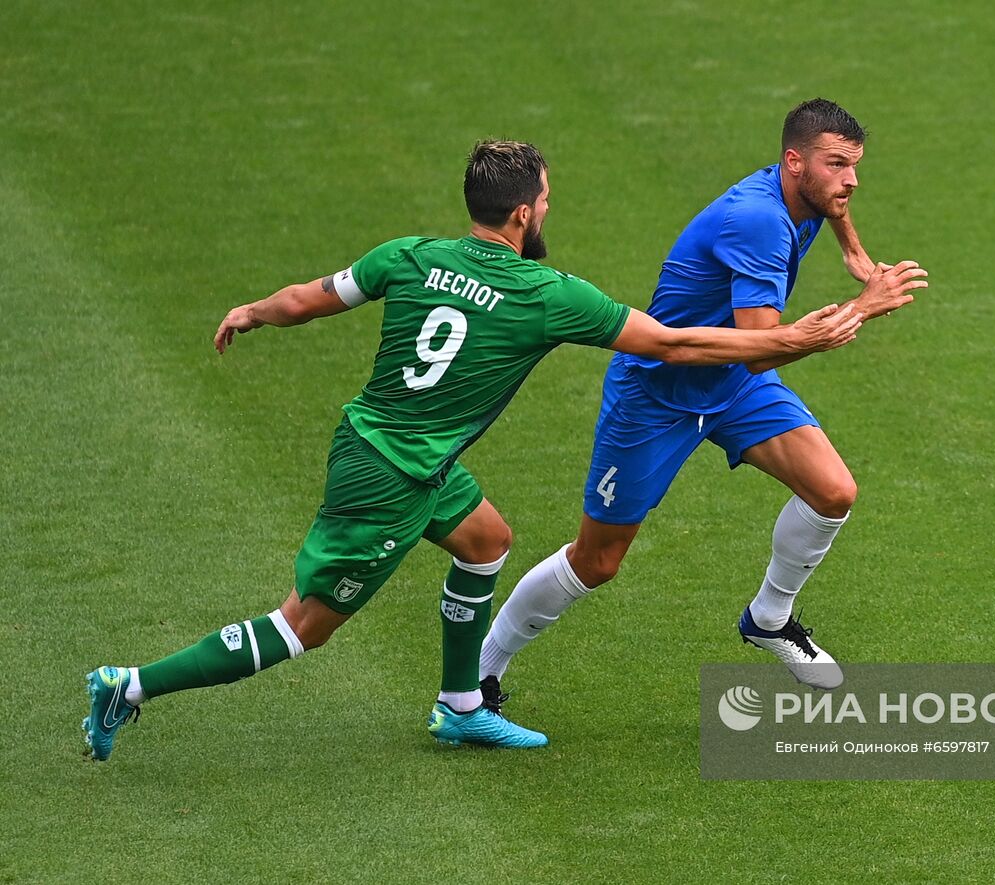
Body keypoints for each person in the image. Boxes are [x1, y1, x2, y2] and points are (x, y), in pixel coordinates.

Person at [82, 139, 870, 760]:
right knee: (304, 626)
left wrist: (251, 311)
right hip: (389, 478)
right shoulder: (545, 293)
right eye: (549, 198)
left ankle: (464, 703)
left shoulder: (411, 254)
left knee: (486, 538)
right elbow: (665, 340)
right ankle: (132, 686)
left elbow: (309, 299)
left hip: (399, 449)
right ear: (524, 214)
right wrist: (794, 336)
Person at [480, 99, 926, 699]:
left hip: (732, 385)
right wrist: (863, 306)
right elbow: (763, 349)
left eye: (855, 165)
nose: (851, 180)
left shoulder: (810, 194)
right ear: (794, 163)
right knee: (598, 560)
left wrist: (851, 247)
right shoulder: (761, 220)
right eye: (838, 165)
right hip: (657, 395)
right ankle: (480, 670)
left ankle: (768, 619)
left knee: (834, 492)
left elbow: (830, 215)